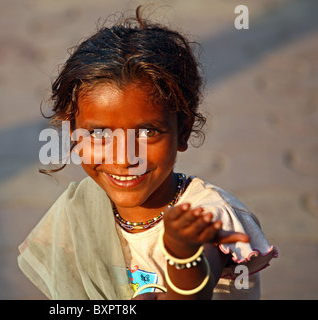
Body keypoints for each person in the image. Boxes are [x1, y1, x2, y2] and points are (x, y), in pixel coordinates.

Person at [17, 6, 277, 300]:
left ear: (183, 131)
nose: (124, 157)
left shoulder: (207, 215)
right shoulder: (79, 213)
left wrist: (183, 253)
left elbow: (194, 289)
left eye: (147, 132)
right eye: (100, 134)